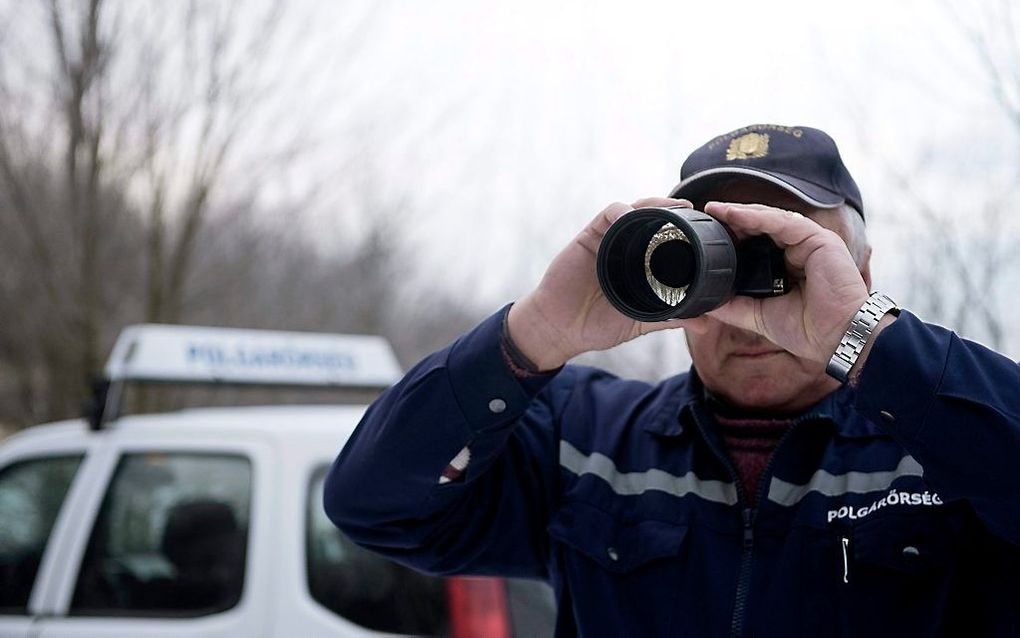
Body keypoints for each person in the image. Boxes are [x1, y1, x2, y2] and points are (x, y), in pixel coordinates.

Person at [324, 124, 1020, 637]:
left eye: (780, 262)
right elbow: (373, 505)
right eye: (713, 265)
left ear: (861, 276)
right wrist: (532, 335)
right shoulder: (588, 439)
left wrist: (868, 338)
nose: (749, 318)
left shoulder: (941, 445)